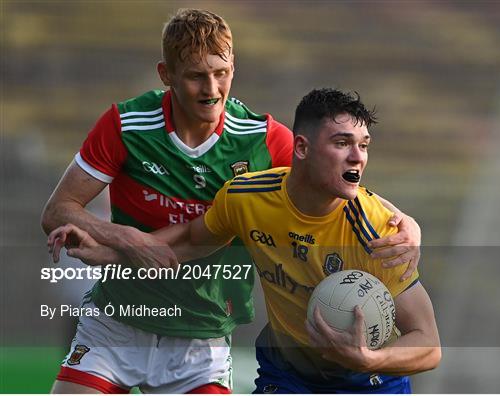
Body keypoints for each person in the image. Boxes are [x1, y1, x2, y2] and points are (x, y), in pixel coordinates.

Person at [41, 8, 421, 395]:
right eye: (195, 76)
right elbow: (57, 211)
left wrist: (404, 219)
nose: (211, 89)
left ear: (233, 66)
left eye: (221, 73)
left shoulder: (262, 139)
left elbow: (332, 181)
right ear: (166, 74)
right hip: (119, 321)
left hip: (202, 336)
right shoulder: (127, 125)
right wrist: (121, 239)